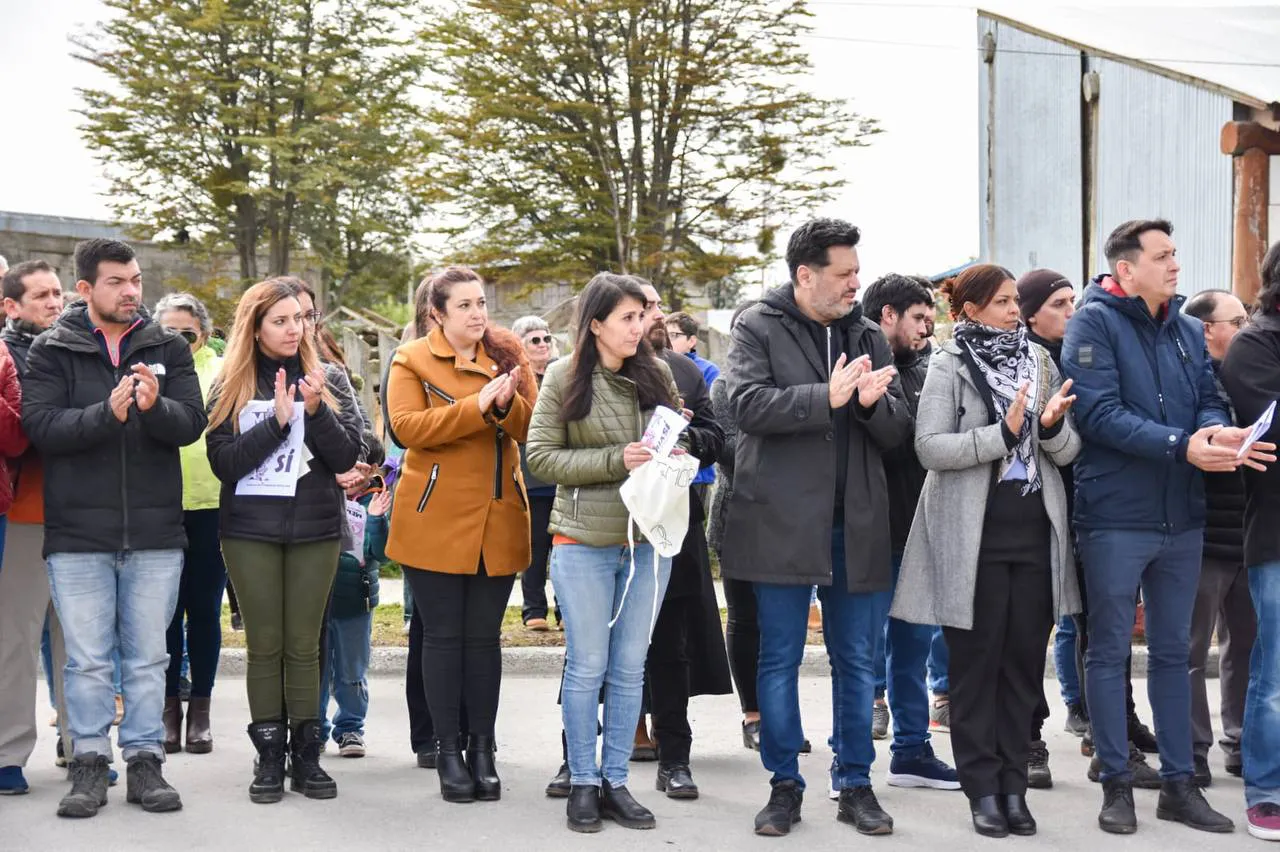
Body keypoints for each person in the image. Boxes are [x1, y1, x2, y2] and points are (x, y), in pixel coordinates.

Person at [1062, 218, 1266, 835]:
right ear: (1126, 269)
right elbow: (1097, 414)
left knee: (1179, 655)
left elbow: (1208, 393)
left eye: (1176, 253)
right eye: (1163, 255)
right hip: (1115, 518)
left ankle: (1179, 784)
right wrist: (1184, 445)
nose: (1176, 264)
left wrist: (1213, 430)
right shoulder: (1091, 323)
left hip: (1182, 517)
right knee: (1110, 652)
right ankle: (1116, 783)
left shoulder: (1183, 328)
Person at [724, 218, 910, 837]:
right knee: (777, 659)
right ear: (805, 275)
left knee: (857, 661)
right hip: (778, 521)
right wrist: (822, 399)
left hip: (855, 523)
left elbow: (896, 435)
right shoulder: (756, 324)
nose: (857, 283)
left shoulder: (867, 334)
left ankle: (855, 782)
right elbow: (744, 406)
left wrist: (870, 405)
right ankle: (784, 784)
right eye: (844, 273)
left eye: (857, 271)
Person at [894, 264, 1081, 838]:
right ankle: (982, 790)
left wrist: (1048, 428)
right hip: (970, 538)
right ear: (970, 309)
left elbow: (1068, 452)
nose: (1012, 312)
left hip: (1034, 533)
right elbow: (928, 447)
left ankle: (1013, 786)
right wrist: (1000, 434)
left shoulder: (1040, 361)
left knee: (1023, 668)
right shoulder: (949, 364)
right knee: (975, 671)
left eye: (1014, 302)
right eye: (1000, 302)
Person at [23, 238, 207, 818]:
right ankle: (88, 764)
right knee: (87, 660)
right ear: (85, 289)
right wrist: (111, 412)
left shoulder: (167, 346)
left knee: (151, 656)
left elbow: (192, 424)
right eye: (116, 282)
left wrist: (154, 407)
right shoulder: (51, 350)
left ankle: (146, 762)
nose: (131, 292)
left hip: (155, 533)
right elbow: (44, 428)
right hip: (78, 535)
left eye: (135, 280)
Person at [527, 272, 682, 833]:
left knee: (628, 667)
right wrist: (619, 459)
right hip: (582, 542)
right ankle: (584, 783)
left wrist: (675, 448)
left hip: (646, 543)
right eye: (627, 318)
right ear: (595, 324)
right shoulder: (564, 375)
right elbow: (540, 458)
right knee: (587, 665)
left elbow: (672, 442)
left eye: (643, 317)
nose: (640, 328)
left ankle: (616, 781)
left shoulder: (657, 373)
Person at [205, 278, 363, 804]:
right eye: (281, 320)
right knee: (264, 645)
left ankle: (307, 756)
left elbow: (347, 460)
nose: (294, 329)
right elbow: (223, 463)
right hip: (250, 531)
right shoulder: (230, 381)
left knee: (303, 645)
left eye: (300, 318)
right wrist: (275, 421)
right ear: (255, 326)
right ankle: (269, 756)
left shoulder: (330, 377)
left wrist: (315, 411)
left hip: (315, 528)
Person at [384, 266, 536, 804]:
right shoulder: (412, 359)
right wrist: (475, 407)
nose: (478, 314)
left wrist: (507, 401)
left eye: (482, 303)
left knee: (484, 641)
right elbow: (408, 429)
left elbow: (530, 430)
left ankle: (483, 751)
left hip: (499, 517)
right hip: (434, 518)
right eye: (465, 305)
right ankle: (447, 751)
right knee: (444, 640)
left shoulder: (507, 356)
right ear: (437, 313)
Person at [858, 273, 960, 790]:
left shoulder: (931, 369)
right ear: (887, 317)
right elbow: (898, 442)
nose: (928, 328)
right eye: (919, 318)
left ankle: (912, 751)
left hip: (920, 530)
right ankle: (850, 762)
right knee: (861, 652)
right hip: (867, 531)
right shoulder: (858, 368)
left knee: (914, 648)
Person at [637, 280, 730, 800]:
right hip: (610, 528)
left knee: (672, 644)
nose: (655, 315)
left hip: (675, 521)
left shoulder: (684, 369)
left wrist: (688, 438)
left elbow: (715, 438)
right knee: (599, 647)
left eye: (654, 306)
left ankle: (675, 758)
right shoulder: (585, 374)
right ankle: (579, 757)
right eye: (644, 307)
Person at [1220, 241, 1280, 840]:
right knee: (1276, 671)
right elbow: (1270, 432)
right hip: (1276, 532)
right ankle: (1267, 789)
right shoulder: (1256, 344)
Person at [1184, 289, 1255, 789]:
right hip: (1201, 535)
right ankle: (1192, 751)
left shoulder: (1252, 372)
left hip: (1251, 534)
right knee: (1187, 652)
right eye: (1239, 319)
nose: (1247, 326)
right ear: (1208, 329)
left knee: (1246, 648)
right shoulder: (1187, 381)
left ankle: (1242, 742)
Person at [0, 260, 64, 794]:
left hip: (82, 513)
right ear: (11, 306)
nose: (53, 302)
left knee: (82, 642)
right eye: (41, 295)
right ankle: (9, 753)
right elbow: (25, 433)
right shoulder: (8, 356)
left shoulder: (82, 346)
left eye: (59, 292)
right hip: (23, 511)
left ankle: (80, 740)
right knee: (16, 639)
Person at [153, 293, 226, 756]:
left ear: (203, 332)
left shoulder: (221, 371)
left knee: (203, 610)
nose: (178, 340)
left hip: (213, 504)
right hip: (158, 505)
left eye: (187, 332)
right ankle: (167, 709)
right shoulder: (145, 365)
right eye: (168, 333)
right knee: (162, 613)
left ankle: (200, 709)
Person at [708, 300, 763, 749]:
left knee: (780, 625)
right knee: (745, 618)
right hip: (738, 513)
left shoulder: (793, 380)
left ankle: (782, 714)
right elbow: (726, 450)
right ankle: (753, 713)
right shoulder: (724, 387)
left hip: (791, 518)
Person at [319, 433, 390, 758]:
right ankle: (313, 729)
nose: (351, 472)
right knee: (316, 670)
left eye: (360, 466)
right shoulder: (320, 492)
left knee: (351, 672)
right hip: (317, 598)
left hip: (356, 602)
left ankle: (350, 729)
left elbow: (382, 554)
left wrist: (376, 519)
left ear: (374, 468)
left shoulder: (377, 500)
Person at [512, 314, 559, 631]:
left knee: (567, 550)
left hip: (564, 476)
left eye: (546, 338)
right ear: (521, 345)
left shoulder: (563, 375)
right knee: (535, 547)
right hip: (530, 477)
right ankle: (533, 610)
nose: (543, 344)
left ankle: (567, 612)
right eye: (534, 340)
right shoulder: (516, 380)